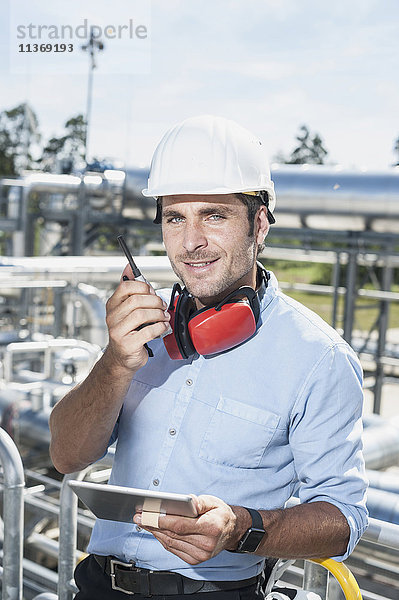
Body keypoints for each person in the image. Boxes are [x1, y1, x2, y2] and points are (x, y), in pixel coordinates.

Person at [49, 115, 368, 600]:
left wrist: (243, 529)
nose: (191, 241)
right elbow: (66, 454)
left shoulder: (318, 358)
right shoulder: (143, 329)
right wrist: (115, 362)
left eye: (214, 215)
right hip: (98, 585)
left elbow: (345, 519)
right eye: (175, 217)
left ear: (258, 224)